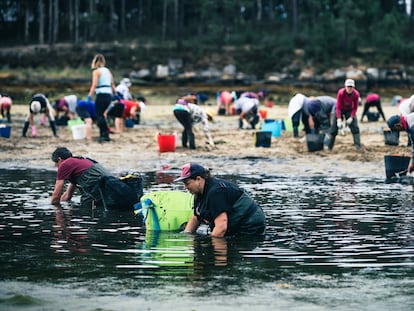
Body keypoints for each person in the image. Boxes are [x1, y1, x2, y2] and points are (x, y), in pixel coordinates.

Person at [175, 162, 266, 237]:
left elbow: (221, 227)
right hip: (233, 222)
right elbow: (196, 217)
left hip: (250, 223)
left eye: (187, 183)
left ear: (198, 179)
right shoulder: (198, 193)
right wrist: (186, 235)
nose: (185, 187)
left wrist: (209, 243)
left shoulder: (215, 192)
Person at [87, 53, 116, 143]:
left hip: (101, 95)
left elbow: (94, 85)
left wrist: (89, 96)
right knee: (103, 115)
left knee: (99, 115)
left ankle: (104, 135)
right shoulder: (108, 71)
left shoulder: (96, 72)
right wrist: (116, 94)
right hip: (109, 95)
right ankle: (104, 134)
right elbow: (112, 84)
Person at [326, 79, 361, 151]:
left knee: (355, 128)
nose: (349, 88)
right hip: (340, 109)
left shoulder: (356, 94)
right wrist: (339, 119)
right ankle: (329, 147)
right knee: (333, 129)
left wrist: (351, 117)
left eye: (351, 87)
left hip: (350, 110)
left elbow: (355, 107)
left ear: (353, 87)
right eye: (348, 87)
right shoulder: (341, 93)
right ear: (345, 87)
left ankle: (358, 147)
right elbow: (338, 106)